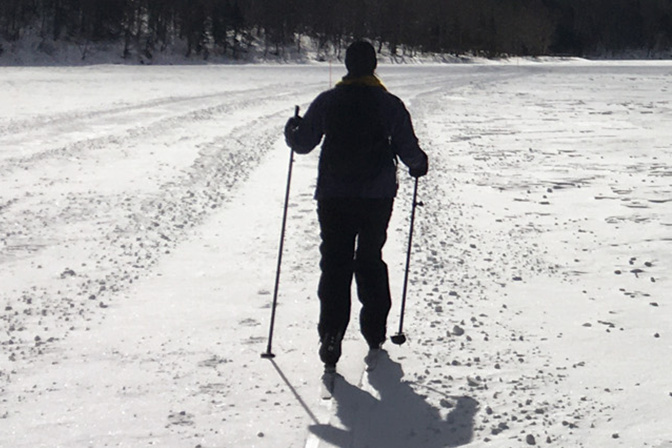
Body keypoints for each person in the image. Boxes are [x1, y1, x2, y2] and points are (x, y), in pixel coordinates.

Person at [284, 40, 428, 372]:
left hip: (334, 195)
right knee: (369, 258)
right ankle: (374, 331)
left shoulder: (328, 101)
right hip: (377, 197)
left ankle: (331, 334)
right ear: (374, 66)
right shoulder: (388, 104)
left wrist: (292, 131)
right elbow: (409, 149)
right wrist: (419, 164)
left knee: (335, 263)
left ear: (347, 66)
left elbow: (304, 142)